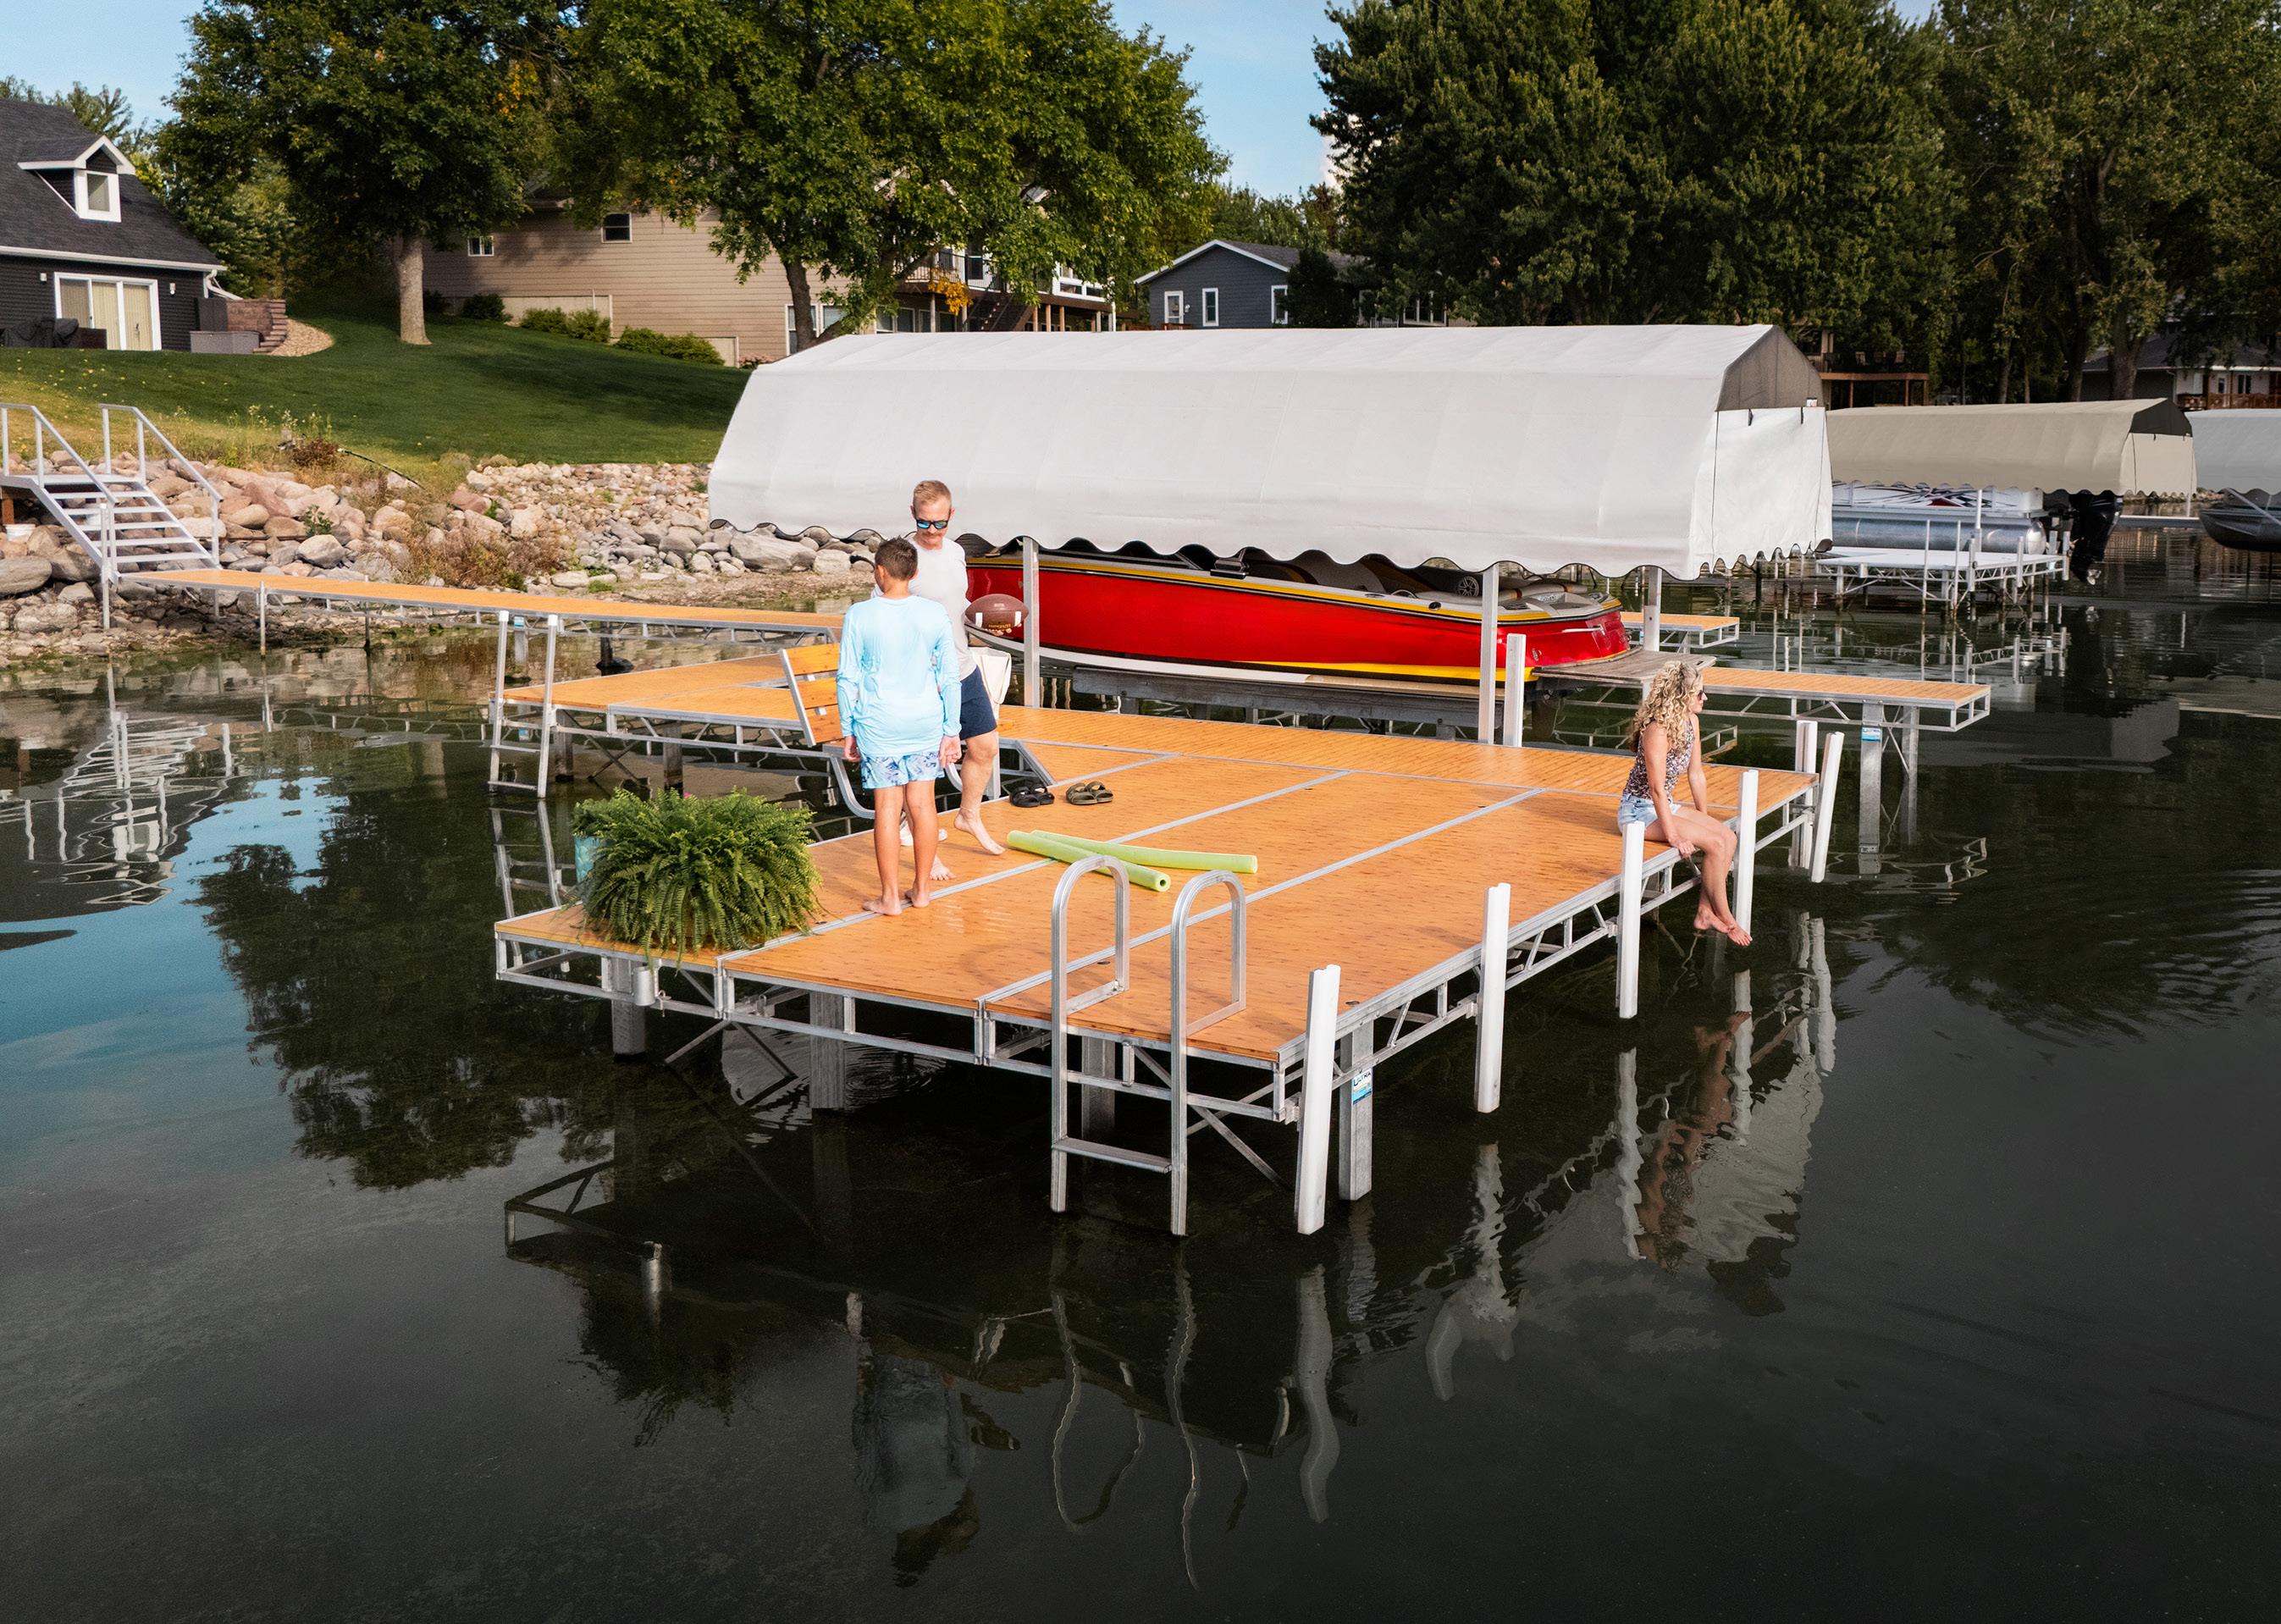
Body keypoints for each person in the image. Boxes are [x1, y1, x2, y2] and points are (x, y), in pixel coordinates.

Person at [838, 537, 963, 916]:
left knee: (888, 809)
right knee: (923, 805)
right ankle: (922, 891)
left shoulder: (860, 614)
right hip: (925, 722)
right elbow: (949, 677)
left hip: (880, 725)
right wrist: (952, 729)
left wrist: (848, 728)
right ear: (915, 573)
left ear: (879, 572)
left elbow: (847, 678)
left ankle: (890, 897)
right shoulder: (934, 613)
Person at [893, 478, 1005, 881]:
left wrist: (986, 620)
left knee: (986, 746)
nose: (932, 531)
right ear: (913, 515)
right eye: (924, 523)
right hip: (922, 677)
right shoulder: (901, 558)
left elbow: (957, 605)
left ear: (951, 516)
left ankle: (967, 815)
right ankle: (924, 844)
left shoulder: (957, 552)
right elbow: (886, 613)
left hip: (961, 666)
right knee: (922, 769)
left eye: (940, 523)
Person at [1617, 659, 1751, 947]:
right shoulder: (1657, 731)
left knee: (1727, 837)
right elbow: (1655, 789)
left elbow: (1696, 774)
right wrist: (1674, 835)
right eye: (1699, 693)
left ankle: (1704, 911)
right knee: (1714, 844)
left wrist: (1705, 819)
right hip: (1638, 811)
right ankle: (1727, 918)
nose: (1705, 698)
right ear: (1680, 696)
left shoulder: (1691, 722)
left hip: (1666, 804)